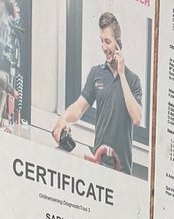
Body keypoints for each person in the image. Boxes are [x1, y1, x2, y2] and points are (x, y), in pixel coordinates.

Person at [52, 11, 143, 176]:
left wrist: (122, 74)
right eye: (101, 41)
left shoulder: (133, 80)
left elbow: (137, 118)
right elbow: (79, 107)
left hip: (122, 170)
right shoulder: (96, 73)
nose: (103, 47)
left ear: (118, 43)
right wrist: (63, 118)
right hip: (99, 165)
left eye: (107, 41)